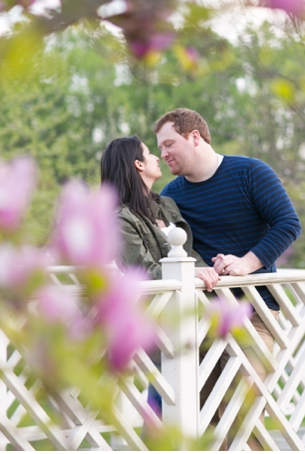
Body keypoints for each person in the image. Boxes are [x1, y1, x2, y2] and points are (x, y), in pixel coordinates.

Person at [154, 108, 302, 447]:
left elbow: (288, 224)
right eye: (160, 148)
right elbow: (175, 251)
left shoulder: (250, 172)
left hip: (256, 314)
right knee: (204, 419)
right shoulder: (172, 193)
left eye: (169, 144)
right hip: (201, 320)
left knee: (243, 414)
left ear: (195, 137)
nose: (163, 154)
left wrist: (246, 263)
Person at [100, 136, 220, 417]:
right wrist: (192, 271)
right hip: (156, 318)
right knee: (166, 396)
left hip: (192, 313)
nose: (158, 157)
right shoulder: (119, 219)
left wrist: (210, 271)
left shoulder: (166, 205)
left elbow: (190, 253)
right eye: (150, 153)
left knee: (199, 400)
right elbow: (139, 269)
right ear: (138, 164)